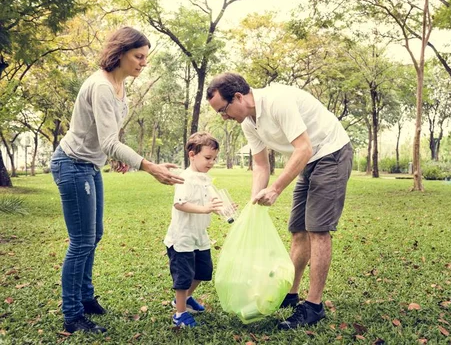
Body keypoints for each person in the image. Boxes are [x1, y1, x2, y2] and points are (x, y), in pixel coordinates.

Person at [50, 27, 184, 334]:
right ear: (120, 53)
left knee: (93, 235)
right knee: (81, 241)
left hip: (90, 166)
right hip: (72, 165)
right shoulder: (101, 86)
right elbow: (110, 140)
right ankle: (72, 315)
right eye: (139, 56)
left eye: (145, 58)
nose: (143, 63)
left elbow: (104, 137)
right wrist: (148, 166)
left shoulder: (119, 85)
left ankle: (85, 298)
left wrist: (116, 158)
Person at [206, 72, 353, 330]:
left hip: (331, 152)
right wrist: (254, 202)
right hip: (309, 160)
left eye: (223, 110)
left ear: (239, 97)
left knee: (317, 229)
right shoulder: (248, 123)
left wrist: (275, 189)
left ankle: (313, 306)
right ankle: (292, 293)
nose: (224, 117)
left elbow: (304, 147)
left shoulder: (277, 102)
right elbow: (261, 165)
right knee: (298, 230)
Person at [164, 132, 224, 328]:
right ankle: (179, 313)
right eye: (208, 158)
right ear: (192, 154)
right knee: (183, 277)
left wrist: (221, 208)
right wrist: (205, 208)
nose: (212, 162)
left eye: (214, 158)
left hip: (200, 236)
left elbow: (210, 203)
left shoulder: (205, 179)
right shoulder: (185, 178)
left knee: (204, 271)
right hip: (182, 238)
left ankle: (185, 299)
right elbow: (180, 204)